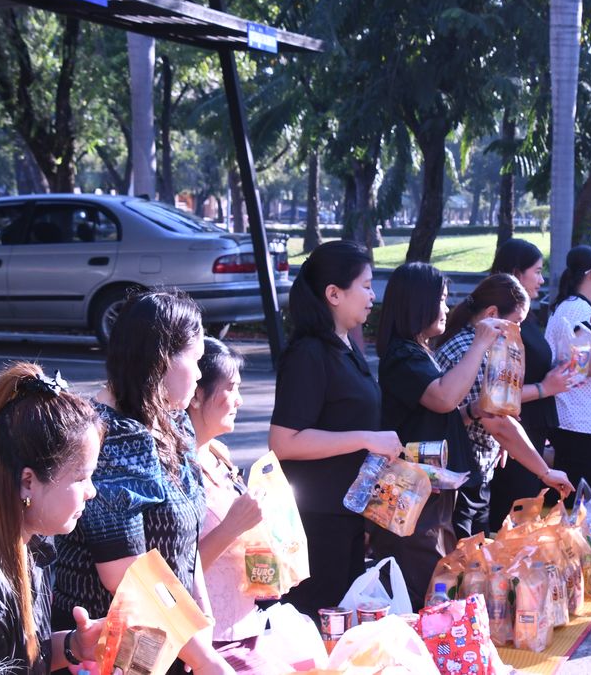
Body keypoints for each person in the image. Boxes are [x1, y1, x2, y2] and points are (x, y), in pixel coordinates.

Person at [52, 291, 233, 674]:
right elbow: (126, 575)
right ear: (162, 359)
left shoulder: (173, 421)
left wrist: (202, 627)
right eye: (196, 361)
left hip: (172, 643)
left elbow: (187, 543)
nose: (201, 375)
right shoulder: (107, 439)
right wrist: (205, 658)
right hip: (106, 656)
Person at [268, 241, 402, 623]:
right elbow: (283, 441)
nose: (372, 296)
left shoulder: (344, 346)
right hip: (315, 522)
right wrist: (365, 438)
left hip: (344, 516)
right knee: (317, 623)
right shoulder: (309, 353)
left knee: (341, 626)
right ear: (333, 293)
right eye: (366, 285)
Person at [372, 262, 503, 607]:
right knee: (424, 576)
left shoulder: (417, 351)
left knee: (436, 573)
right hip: (411, 493)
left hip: (428, 487)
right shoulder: (402, 355)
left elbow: (436, 412)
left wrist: (472, 413)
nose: (446, 308)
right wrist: (480, 343)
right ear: (419, 303)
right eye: (441, 300)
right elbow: (443, 397)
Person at [434, 273, 573, 536]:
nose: (518, 332)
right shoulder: (470, 351)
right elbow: (496, 421)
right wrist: (545, 472)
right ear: (493, 313)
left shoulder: (476, 344)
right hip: (460, 476)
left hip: (471, 472)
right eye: (516, 322)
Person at [0, 363, 104, 674]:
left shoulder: (34, 546)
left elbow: (21, 659)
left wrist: (74, 646)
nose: (91, 492)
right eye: (82, 478)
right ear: (28, 481)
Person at [188, 339, 289, 674]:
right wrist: (233, 525)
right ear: (195, 393)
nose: (239, 400)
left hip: (248, 626)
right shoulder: (176, 468)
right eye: (230, 388)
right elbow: (173, 573)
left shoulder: (219, 454)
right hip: (207, 646)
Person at [488, 239, 572, 527]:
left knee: (526, 517)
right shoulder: (502, 321)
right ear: (516, 273)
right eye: (536, 271)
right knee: (511, 518)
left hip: (531, 430)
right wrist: (544, 389)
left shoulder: (526, 316)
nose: (542, 278)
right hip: (510, 435)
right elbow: (494, 393)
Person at [544, 245, 591, 498]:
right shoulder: (580, 310)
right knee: (574, 498)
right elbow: (580, 365)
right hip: (578, 417)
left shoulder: (569, 306)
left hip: (576, 416)